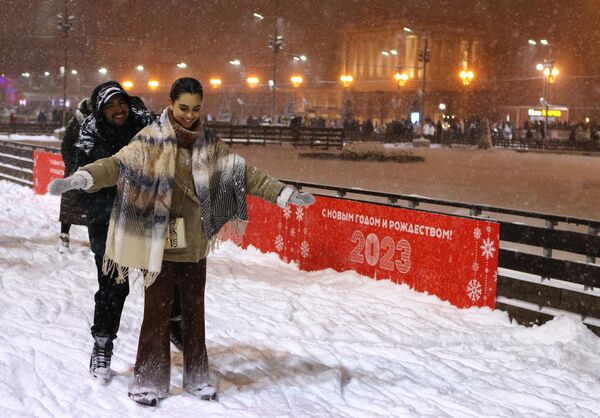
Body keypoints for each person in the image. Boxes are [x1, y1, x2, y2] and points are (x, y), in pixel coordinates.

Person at [49, 77, 315, 406]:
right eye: (183, 108)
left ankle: (197, 375)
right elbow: (118, 165)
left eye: (195, 109)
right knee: (149, 308)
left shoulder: (207, 143)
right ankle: (143, 375)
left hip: (193, 239)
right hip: (153, 234)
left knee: (193, 311)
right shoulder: (152, 138)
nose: (189, 115)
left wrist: (283, 193)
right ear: (171, 104)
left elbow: (242, 173)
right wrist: (85, 177)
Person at [73, 81, 157, 383]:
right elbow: (84, 184)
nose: (118, 110)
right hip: (108, 223)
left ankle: (174, 335)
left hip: (149, 216)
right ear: (99, 110)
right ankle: (102, 345)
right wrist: (115, 205)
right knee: (113, 286)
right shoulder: (88, 139)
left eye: (121, 103)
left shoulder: (149, 126)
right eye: (110, 106)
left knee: (164, 282)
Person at [57, 98, 92, 253]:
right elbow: (65, 146)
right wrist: (72, 165)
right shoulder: (75, 123)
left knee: (93, 206)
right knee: (69, 206)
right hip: (74, 172)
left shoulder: (101, 123)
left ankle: (95, 239)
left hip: (92, 171)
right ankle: (64, 236)